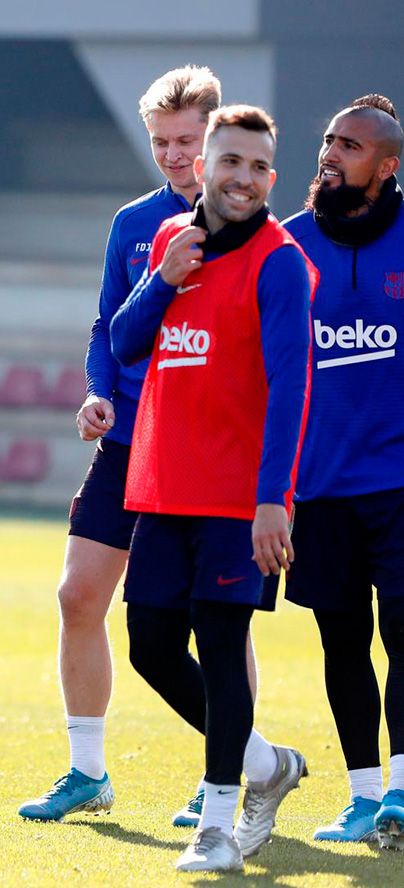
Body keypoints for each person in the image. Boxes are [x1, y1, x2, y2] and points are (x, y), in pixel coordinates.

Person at [19, 66, 258, 827]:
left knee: (220, 620)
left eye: (189, 141)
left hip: (208, 451)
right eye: (161, 142)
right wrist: (97, 391)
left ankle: (224, 774)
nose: (175, 156)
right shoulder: (133, 224)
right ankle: (87, 771)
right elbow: (107, 327)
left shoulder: (258, 235)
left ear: (220, 139)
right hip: (129, 438)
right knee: (77, 595)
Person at [109, 105, 316, 872]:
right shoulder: (170, 241)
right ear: (202, 168)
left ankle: (218, 826)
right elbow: (128, 343)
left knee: (222, 649)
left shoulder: (281, 261)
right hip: (162, 488)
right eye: (232, 163)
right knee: (151, 648)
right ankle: (267, 765)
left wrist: (273, 499)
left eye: (261, 167)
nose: (246, 179)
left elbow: (292, 387)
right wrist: (162, 281)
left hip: (237, 499)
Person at [282, 94, 404, 850]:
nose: (331, 152)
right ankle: (363, 795)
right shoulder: (287, 245)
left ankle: (401, 791)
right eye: (329, 139)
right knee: (341, 642)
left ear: (386, 167)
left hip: (398, 484)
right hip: (320, 486)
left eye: (351, 145)